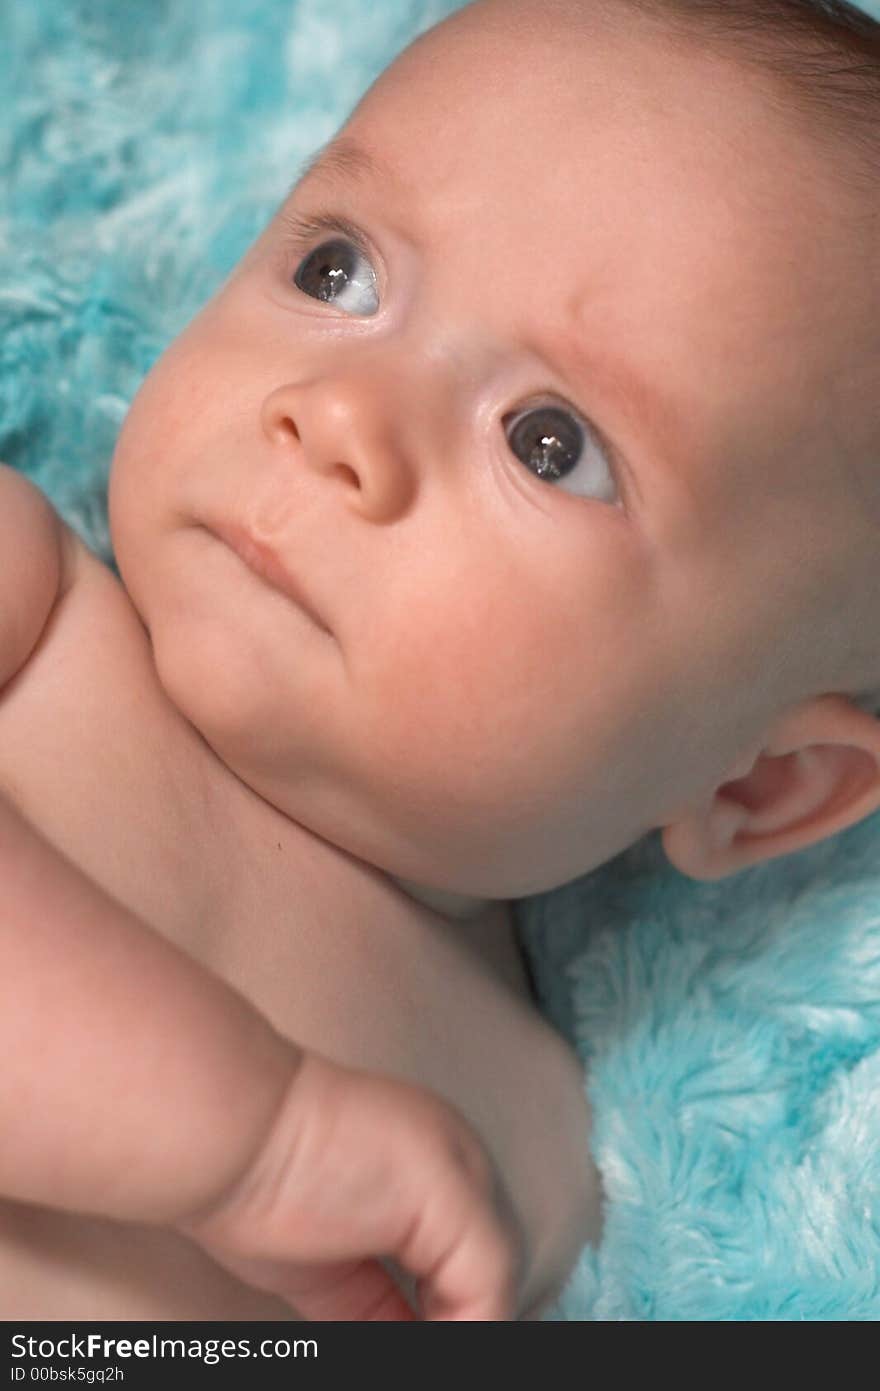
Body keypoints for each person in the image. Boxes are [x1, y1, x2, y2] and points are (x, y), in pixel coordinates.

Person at [1, 0, 878, 1320]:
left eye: (549, 444)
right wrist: (248, 1137)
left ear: (760, 787)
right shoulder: (32, 609)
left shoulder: (536, 1161)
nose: (340, 416)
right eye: (337, 272)